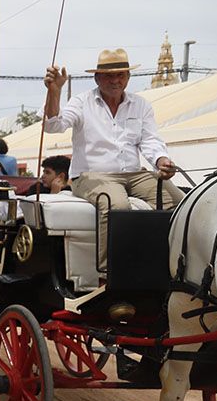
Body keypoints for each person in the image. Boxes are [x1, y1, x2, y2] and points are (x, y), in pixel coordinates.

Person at [44, 47, 183, 269]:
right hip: (91, 175)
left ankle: (166, 266)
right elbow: (53, 126)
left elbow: (150, 140)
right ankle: (110, 272)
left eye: (120, 75)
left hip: (135, 174)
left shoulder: (141, 105)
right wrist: (54, 92)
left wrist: (161, 161)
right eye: (109, 75)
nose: (115, 80)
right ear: (97, 78)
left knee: (178, 202)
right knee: (117, 206)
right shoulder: (82, 102)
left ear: (128, 77)